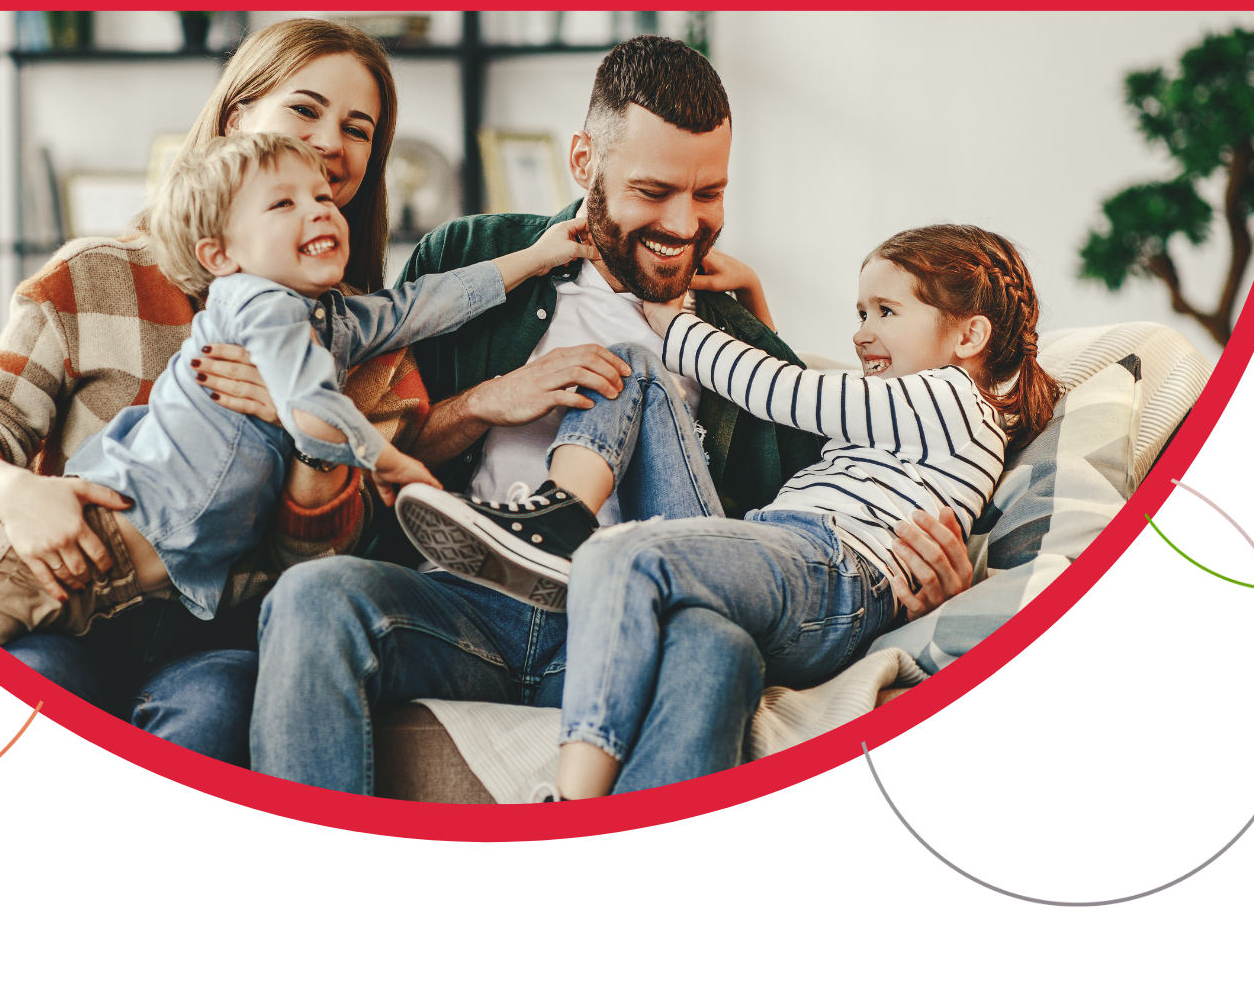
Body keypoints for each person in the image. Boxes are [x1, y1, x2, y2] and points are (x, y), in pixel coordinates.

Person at [250, 35, 979, 796]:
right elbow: (375, 464)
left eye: (708, 194)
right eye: (653, 191)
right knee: (313, 598)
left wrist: (923, 574)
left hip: (632, 626)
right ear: (583, 160)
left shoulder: (736, 342)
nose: (684, 224)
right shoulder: (473, 254)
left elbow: (805, 525)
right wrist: (486, 402)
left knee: (720, 647)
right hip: (464, 606)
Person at [0, 18, 419, 764]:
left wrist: (300, 420)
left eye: (357, 129)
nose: (329, 142)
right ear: (237, 118)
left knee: (214, 716)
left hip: (212, 638)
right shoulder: (94, 273)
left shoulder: (366, 348)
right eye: (304, 109)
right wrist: (20, 494)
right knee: (32, 689)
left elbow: (312, 569)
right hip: (67, 596)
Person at [429, 224, 1059, 798]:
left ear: (969, 336)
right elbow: (805, 415)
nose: (861, 332)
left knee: (622, 555)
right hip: (784, 558)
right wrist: (753, 295)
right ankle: (556, 517)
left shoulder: (952, 397)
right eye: (861, 312)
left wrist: (675, 322)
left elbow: (789, 394)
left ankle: (570, 801)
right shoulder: (914, 415)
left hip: (832, 567)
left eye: (885, 312)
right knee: (630, 369)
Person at [0, 131, 591, 644]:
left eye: (323, 198)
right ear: (221, 256)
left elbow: (423, 303)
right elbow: (309, 407)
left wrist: (537, 255)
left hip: (117, 587)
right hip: (69, 547)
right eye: (284, 203)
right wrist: (393, 464)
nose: (321, 211)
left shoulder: (331, 319)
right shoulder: (258, 303)